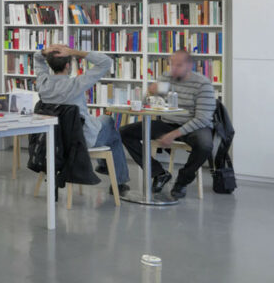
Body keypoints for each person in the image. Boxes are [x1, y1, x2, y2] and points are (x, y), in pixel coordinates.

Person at [35, 44, 131, 195]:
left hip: (55, 141)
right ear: (68, 65)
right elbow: (105, 62)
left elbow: (37, 59)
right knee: (110, 125)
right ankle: (118, 182)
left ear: (50, 65)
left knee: (103, 120)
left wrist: (44, 52)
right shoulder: (76, 84)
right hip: (80, 140)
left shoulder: (42, 84)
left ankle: (105, 167)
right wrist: (75, 51)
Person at [120, 49, 216, 199]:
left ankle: (182, 181)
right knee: (124, 132)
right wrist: (149, 93)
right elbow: (148, 105)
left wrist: (173, 135)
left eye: (178, 65)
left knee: (205, 145)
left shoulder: (203, 84)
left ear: (189, 65)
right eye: (171, 64)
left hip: (194, 126)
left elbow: (202, 119)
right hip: (168, 122)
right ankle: (159, 173)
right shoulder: (167, 78)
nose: (173, 69)